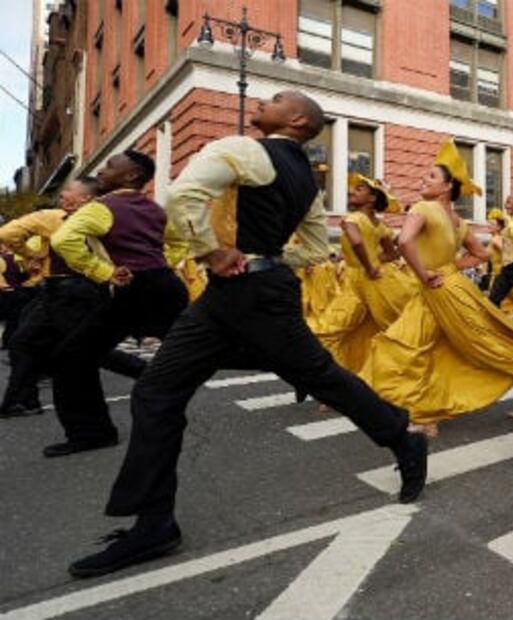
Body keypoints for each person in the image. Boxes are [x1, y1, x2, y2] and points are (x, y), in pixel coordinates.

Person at [69, 91, 427, 579]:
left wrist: (216, 253)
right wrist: (265, 259)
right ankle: (154, 524)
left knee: (315, 373)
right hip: (239, 292)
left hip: (248, 291)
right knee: (157, 391)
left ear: (297, 120)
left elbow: (181, 196)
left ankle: (402, 437)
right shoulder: (306, 179)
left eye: (277, 99)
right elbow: (317, 247)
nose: (265, 100)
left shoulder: (245, 148)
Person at [359, 140, 513, 437]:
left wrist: (424, 273)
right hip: (448, 287)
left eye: (430, 177)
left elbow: (405, 242)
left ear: (445, 188)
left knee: (413, 346)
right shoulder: (458, 220)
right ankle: (425, 412)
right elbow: (480, 255)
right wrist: (449, 268)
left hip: (436, 288)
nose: (422, 180)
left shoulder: (423, 207)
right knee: (465, 344)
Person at [45, 152, 190, 457]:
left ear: (130, 176)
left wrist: (104, 272)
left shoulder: (101, 207)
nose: (101, 168)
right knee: (204, 346)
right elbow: (180, 244)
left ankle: (92, 433)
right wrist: (163, 264)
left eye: (110, 165)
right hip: (166, 286)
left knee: (71, 357)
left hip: (135, 288)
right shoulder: (156, 209)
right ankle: (292, 366)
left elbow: (62, 240)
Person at [0, 178, 99, 418]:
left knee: (83, 347)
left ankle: (148, 372)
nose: (62, 194)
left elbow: (6, 233)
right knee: (30, 341)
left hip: (68, 289)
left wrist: (31, 254)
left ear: (85, 198)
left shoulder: (53, 217)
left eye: (68, 191)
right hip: (75, 289)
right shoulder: (101, 216)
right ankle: (22, 400)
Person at [313, 174, 417, 372]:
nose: (352, 191)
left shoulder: (351, 219)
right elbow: (393, 253)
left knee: (328, 330)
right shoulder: (381, 226)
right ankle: (374, 378)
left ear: (372, 199)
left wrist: (369, 266)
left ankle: (336, 385)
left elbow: (357, 242)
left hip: (359, 282)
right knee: (372, 331)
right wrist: (375, 262)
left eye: (359, 189)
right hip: (380, 282)